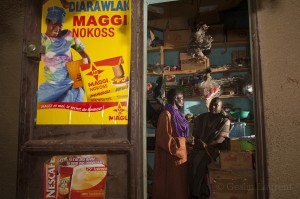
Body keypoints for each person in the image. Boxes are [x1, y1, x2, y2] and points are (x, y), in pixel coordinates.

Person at [38, 6, 90, 102]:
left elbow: (84, 55)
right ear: (47, 21)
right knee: (35, 109)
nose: (57, 29)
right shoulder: (40, 39)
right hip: (51, 86)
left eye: (60, 25)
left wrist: (87, 75)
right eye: (54, 24)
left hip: (70, 85)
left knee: (69, 111)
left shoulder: (68, 36)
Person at [152, 88, 191, 199]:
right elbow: (164, 140)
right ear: (175, 99)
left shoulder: (179, 115)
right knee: (173, 189)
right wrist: (185, 140)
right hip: (170, 159)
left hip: (180, 158)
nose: (183, 101)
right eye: (181, 98)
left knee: (181, 187)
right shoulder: (166, 116)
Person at [188, 97, 230, 199]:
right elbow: (195, 135)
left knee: (200, 162)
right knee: (190, 160)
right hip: (198, 147)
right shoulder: (201, 118)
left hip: (213, 149)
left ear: (221, 107)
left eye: (216, 105)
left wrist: (206, 145)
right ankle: (193, 191)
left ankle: (198, 193)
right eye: (212, 104)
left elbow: (220, 139)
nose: (213, 107)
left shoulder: (224, 121)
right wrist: (198, 142)